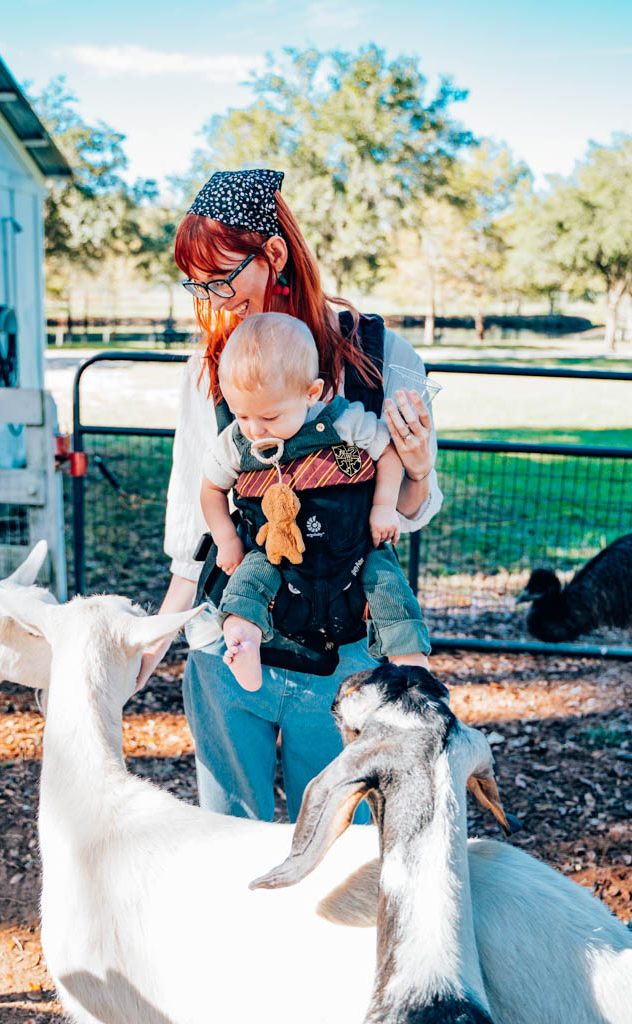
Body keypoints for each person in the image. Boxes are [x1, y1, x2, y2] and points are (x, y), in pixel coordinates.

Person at [138, 167, 442, 822]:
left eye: (222, 278)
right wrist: (158, 638)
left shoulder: (376, 356)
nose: (212, 300)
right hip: (228, 647)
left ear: (272, 254)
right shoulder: (208, 365)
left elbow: (412, 510)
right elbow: (189, 510)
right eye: (197, 284)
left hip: (340, 662)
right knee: (226, 834)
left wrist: (415, 468)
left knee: (339, 842)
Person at [200, 311, 432, 693]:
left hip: (353, 546)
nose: (255, 429)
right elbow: (210, 489)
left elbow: (387, 453)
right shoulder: (234, 442)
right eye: (242, 415)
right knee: (248, 581)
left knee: (387, 582)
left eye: (270, 415)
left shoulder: (345, 422)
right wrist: (226, 538)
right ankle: (243, 637)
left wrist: (382, 508)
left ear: (310, 394)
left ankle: (411, 665)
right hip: (277, 551)